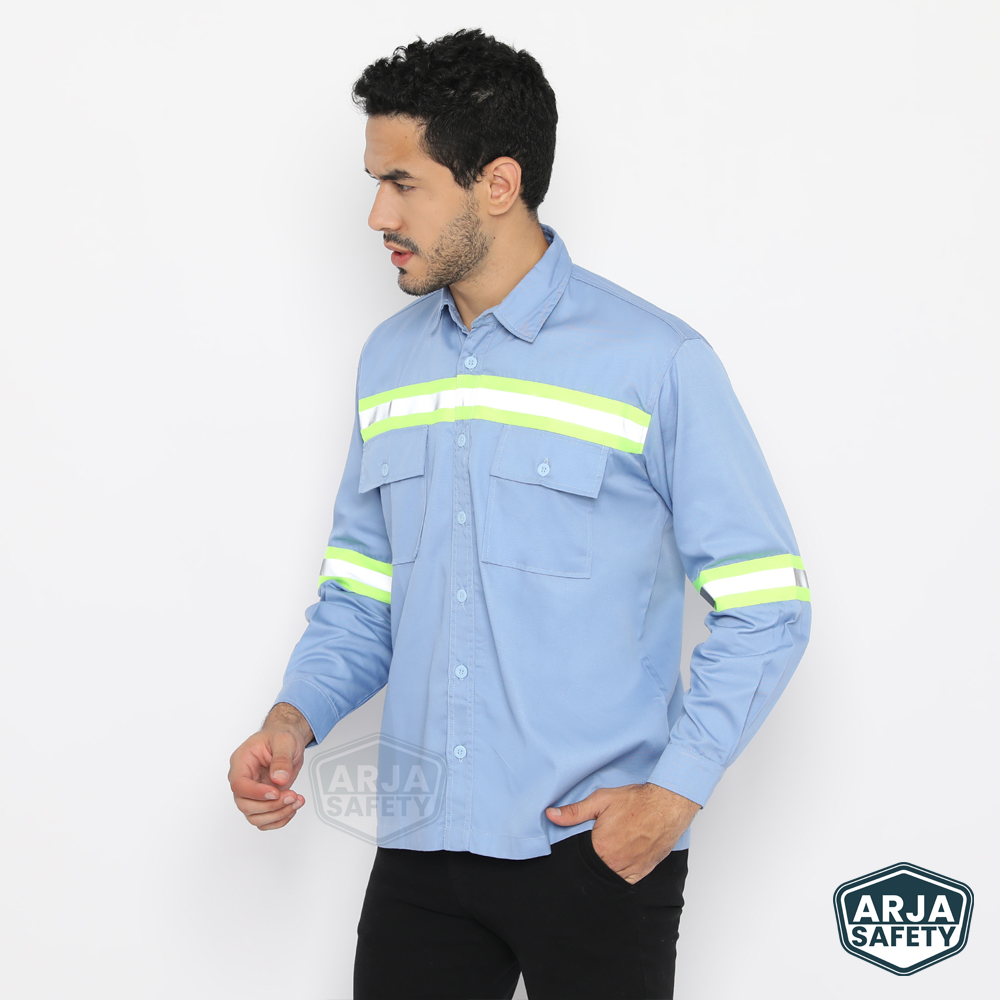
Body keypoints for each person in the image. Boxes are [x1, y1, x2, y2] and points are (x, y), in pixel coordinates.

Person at [227, 27, 810, 1000]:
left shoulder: (654, 361)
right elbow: (363, 590)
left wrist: (675, 792)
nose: (376, 214)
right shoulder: (389, 362)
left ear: (498, 183)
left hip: (592, 851)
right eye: (375, 182)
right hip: (421, 850)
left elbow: (767, 600)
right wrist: (295, 717)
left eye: (403, 183)